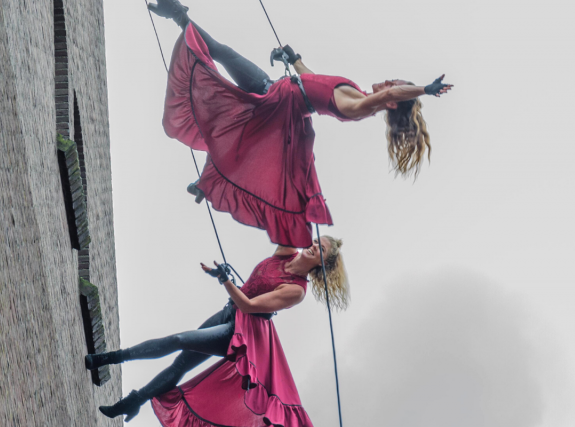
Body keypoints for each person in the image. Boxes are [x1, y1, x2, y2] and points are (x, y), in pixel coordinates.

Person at [149, 0, 453, 249]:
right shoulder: (355, 92)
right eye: (392, 81)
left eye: (392, 87)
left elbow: (387, 93)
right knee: (237, 131)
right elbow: (312, 79)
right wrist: (292, 58)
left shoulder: (360, 106)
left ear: (390, 101)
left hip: (274, 99)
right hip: (278, 94)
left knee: (222, 60)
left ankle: (177, 14)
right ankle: (209, 183)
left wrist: (423, 90)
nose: (387, 82)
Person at [86, 236, 348, 426]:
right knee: (181, 364)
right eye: (316, 240)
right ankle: (134, 401)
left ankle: (106, 360)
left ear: (324, 263)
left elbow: (249, 305)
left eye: (321, 248)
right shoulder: (287, 250)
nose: (314, 245)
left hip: (239, 333)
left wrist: (224, 280)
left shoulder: (296, 290)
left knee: (179, 340)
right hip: (228, 312)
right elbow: (286, 215)